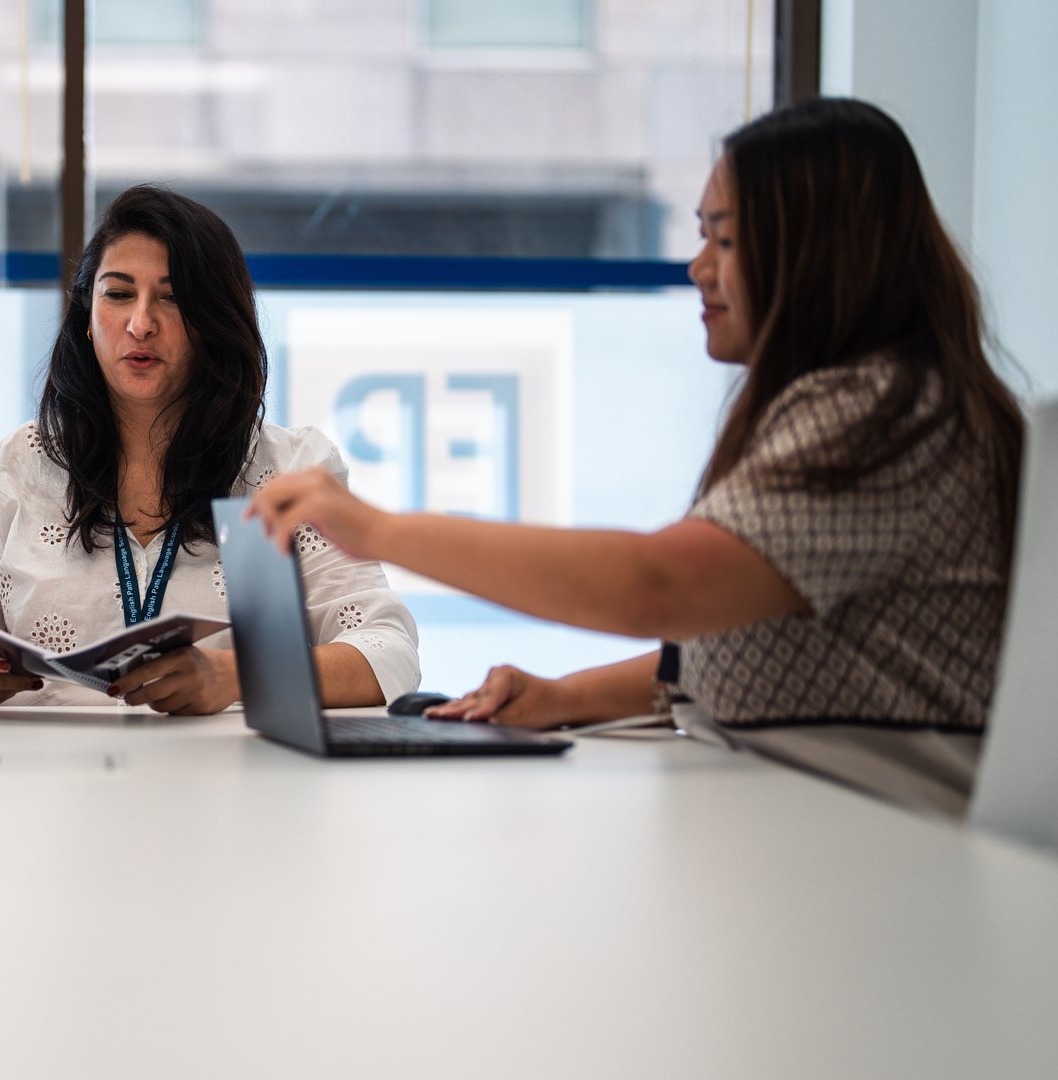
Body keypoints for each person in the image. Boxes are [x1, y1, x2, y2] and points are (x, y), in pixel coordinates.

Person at [247, 98, 1025, 816]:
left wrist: (378, 529)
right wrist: (564, 695)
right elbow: (739, 640)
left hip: (885, 846)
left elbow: (662, 586)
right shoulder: (850, 400)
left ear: (820, 254)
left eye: (724, 239)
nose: (699, 267)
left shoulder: (885, 415)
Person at [0, 185, 420, 715]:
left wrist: (234, 677)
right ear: (86, 313)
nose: (140, 323)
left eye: (171, 298)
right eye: (118, 294)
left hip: (233, 789)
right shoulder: (17, 462)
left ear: (213, 320)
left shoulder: (289, 470)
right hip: (45, 785)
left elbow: (389, 655)